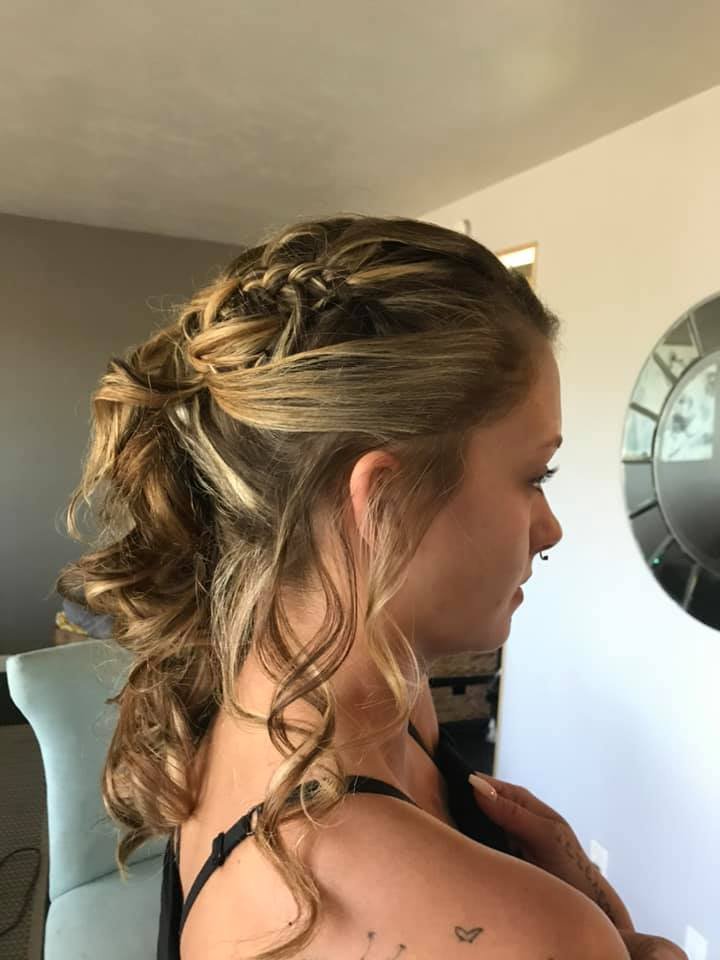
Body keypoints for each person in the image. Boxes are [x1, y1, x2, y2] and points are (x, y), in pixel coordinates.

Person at [54, 215, 683, 960]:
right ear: (383, 503)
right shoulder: (532, 937)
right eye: (533, 476)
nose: (550, 529)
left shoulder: (324, 694)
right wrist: (603, 922)